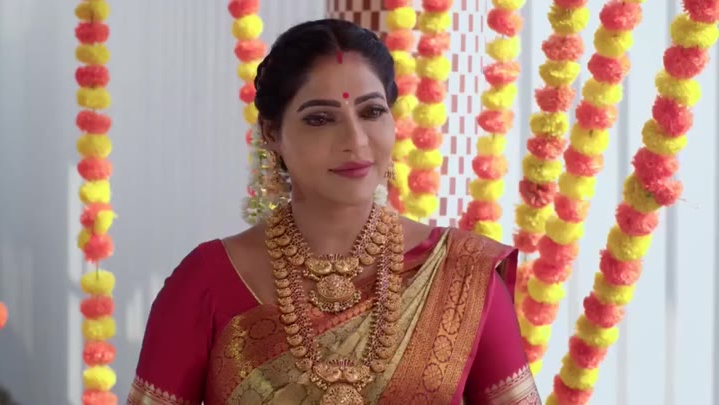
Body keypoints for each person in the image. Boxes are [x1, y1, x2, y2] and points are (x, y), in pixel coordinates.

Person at [128, 19, 540, 405]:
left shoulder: (462, 273)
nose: (355, 141)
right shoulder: (206, 281)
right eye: (321, 119)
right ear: (272, 133)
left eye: (371, 112)